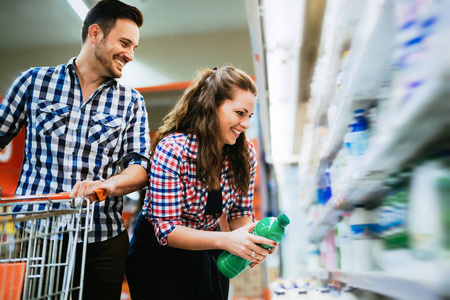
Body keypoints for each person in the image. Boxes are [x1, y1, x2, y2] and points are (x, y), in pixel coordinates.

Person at [0, 0, 150, 299]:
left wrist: (108, 185)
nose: (130, 55)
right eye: (124, 43)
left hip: (102, 239)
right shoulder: (34, 82)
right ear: (95, 33)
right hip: (38, 235)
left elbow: (140, 169)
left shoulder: (131, 102)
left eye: (134, 47)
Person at [126, 66, 277, 300]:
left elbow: (240, 215)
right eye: (239, 113)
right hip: (159, 257)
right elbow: (166, 231)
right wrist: (227, 240)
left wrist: (253, 240)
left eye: (249, 116)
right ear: (212, 107)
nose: (246, 124)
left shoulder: (244, 153)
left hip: (209, 249)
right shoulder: (173, 149)